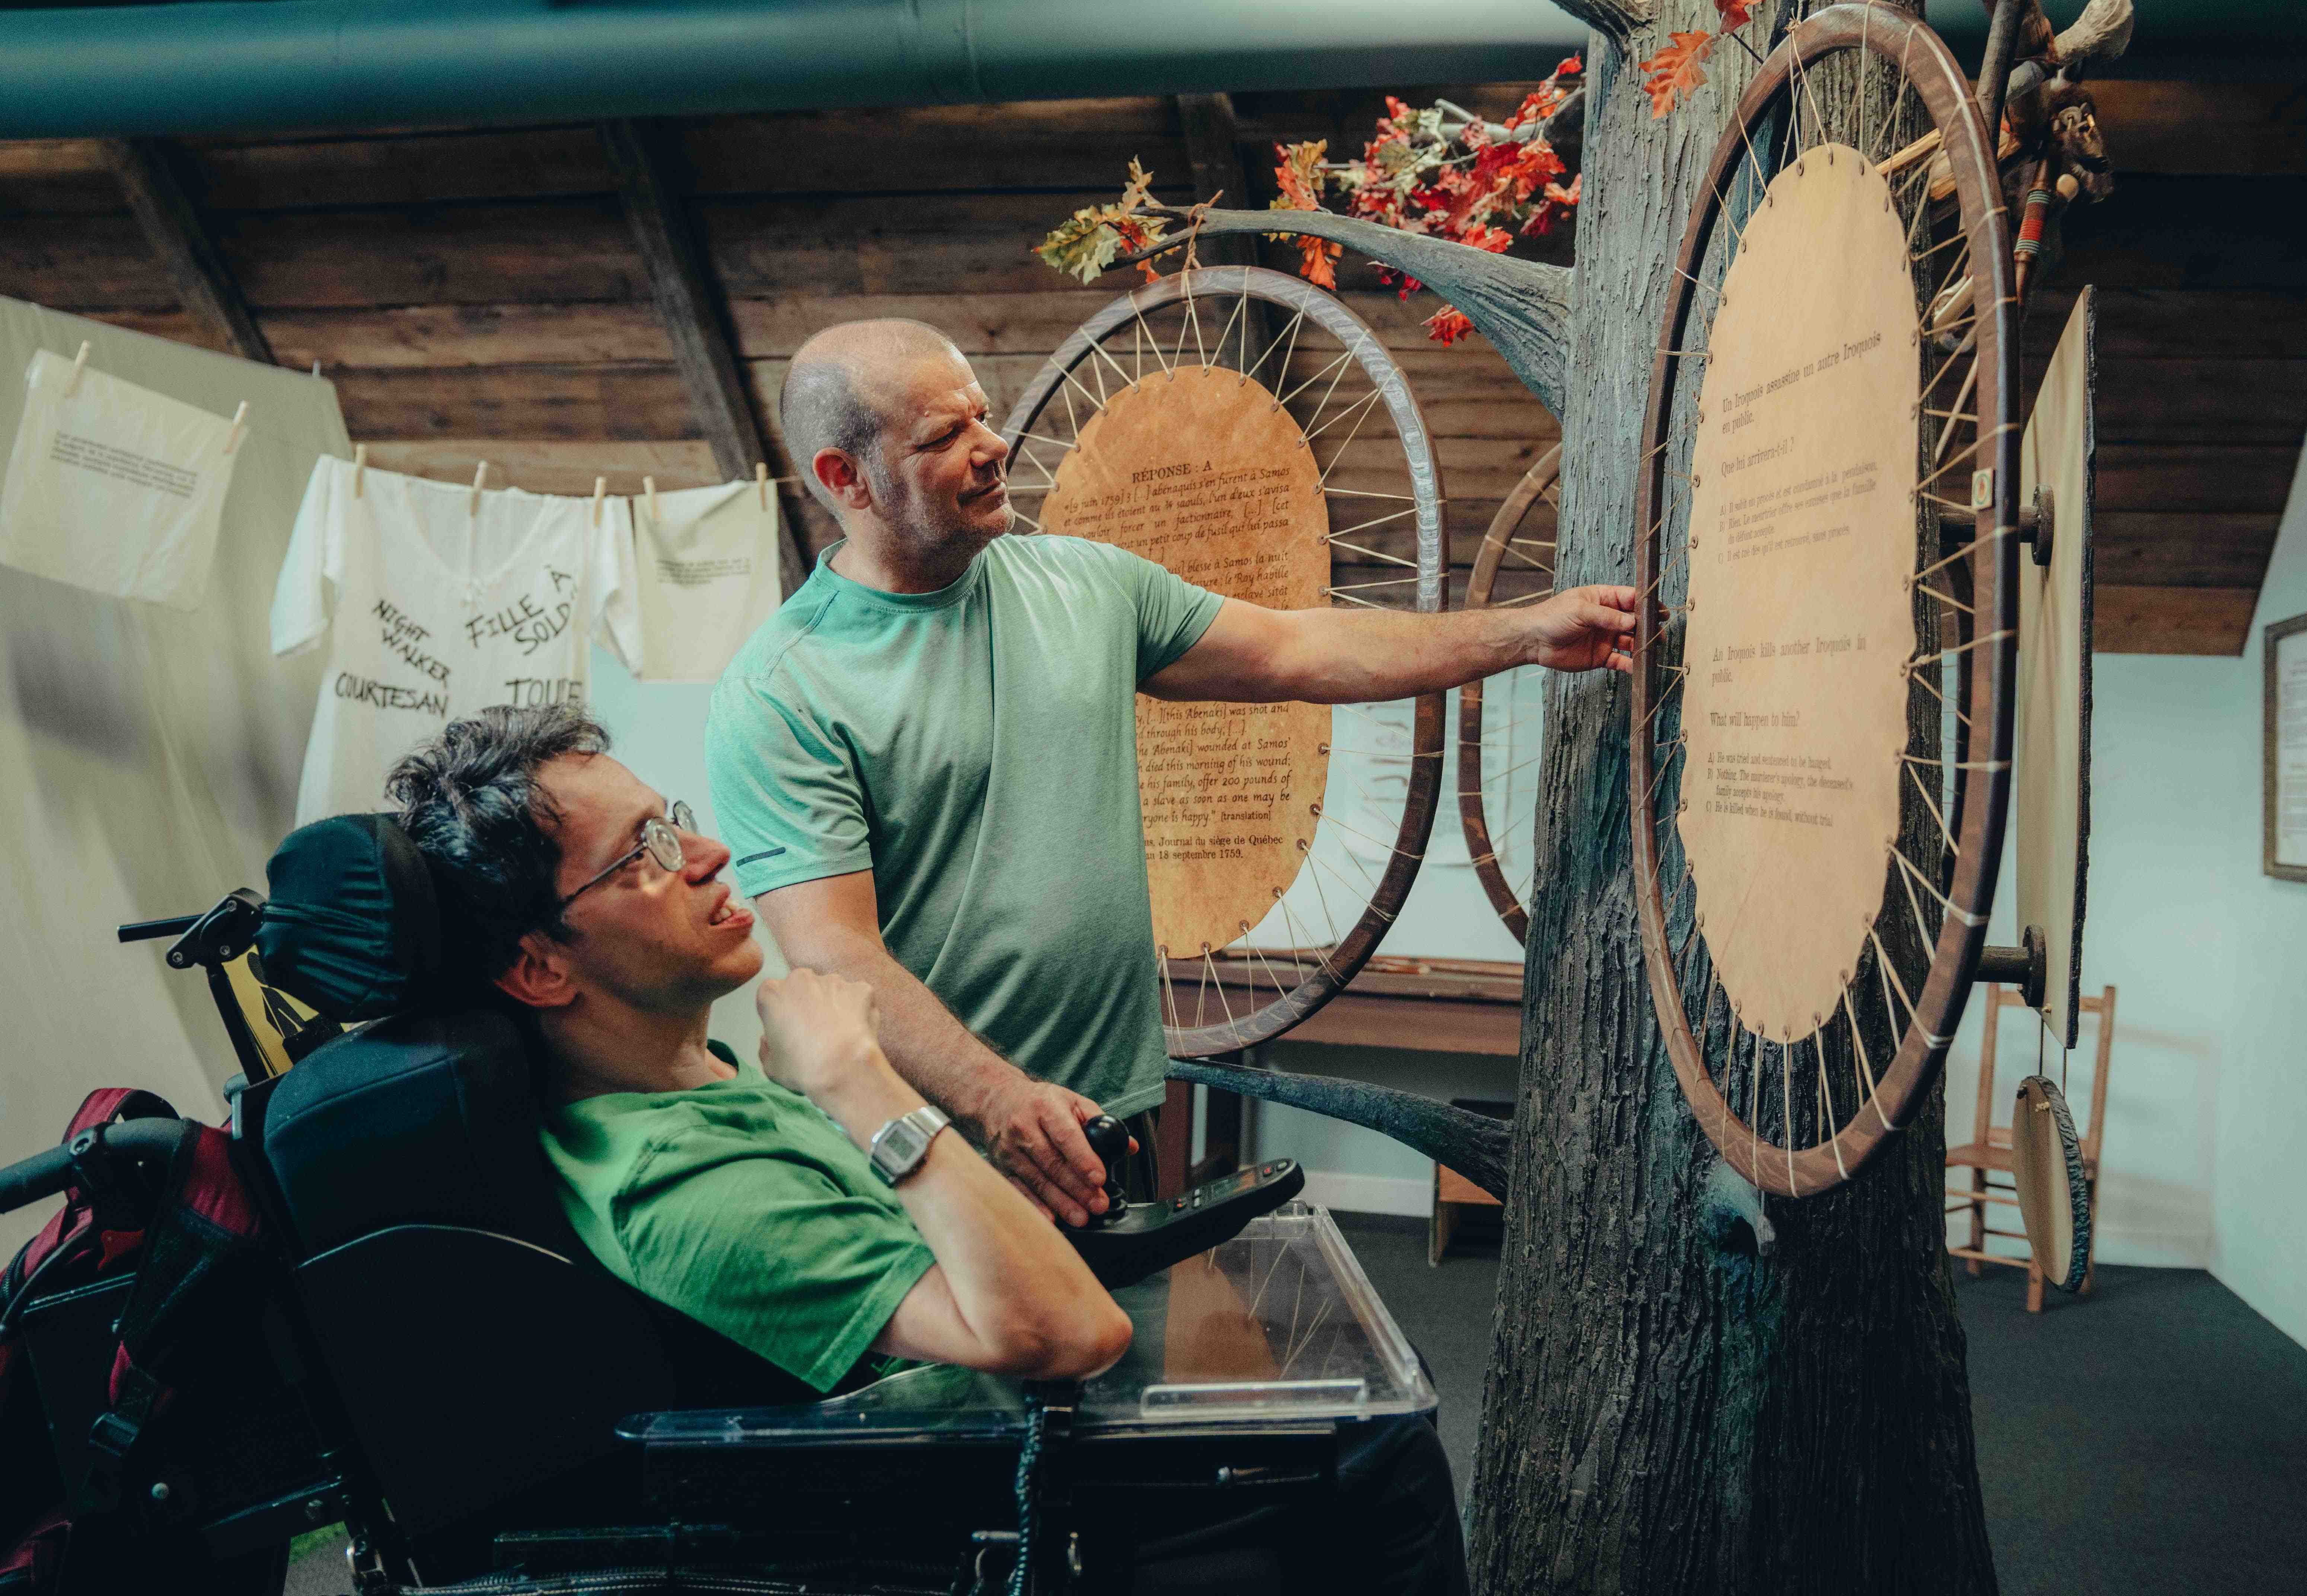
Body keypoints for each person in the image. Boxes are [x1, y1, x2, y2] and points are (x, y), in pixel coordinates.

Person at [385, 704, 1468, 1594]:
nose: (707, 853)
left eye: (670, 821)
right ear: (539, 970)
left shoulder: (706, 1084)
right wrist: (856, 1075)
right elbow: (1072, 1333)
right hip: (957, 1496)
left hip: (977, 1404)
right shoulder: (672, 1184)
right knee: (1376, 1450)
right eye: (645, 858)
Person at [708, 318, 1637, 1225]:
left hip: (1109, 1108)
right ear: (845, 478)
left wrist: (1523, 630)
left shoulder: (1084, 584)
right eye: (945, 436)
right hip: (926, 1139)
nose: (992, 446)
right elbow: (836, 952)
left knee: (1125, 1365)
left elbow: (1294, 649)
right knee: (956, 1379)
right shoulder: (786, 686)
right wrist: (999, 1097)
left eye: (981, 415)